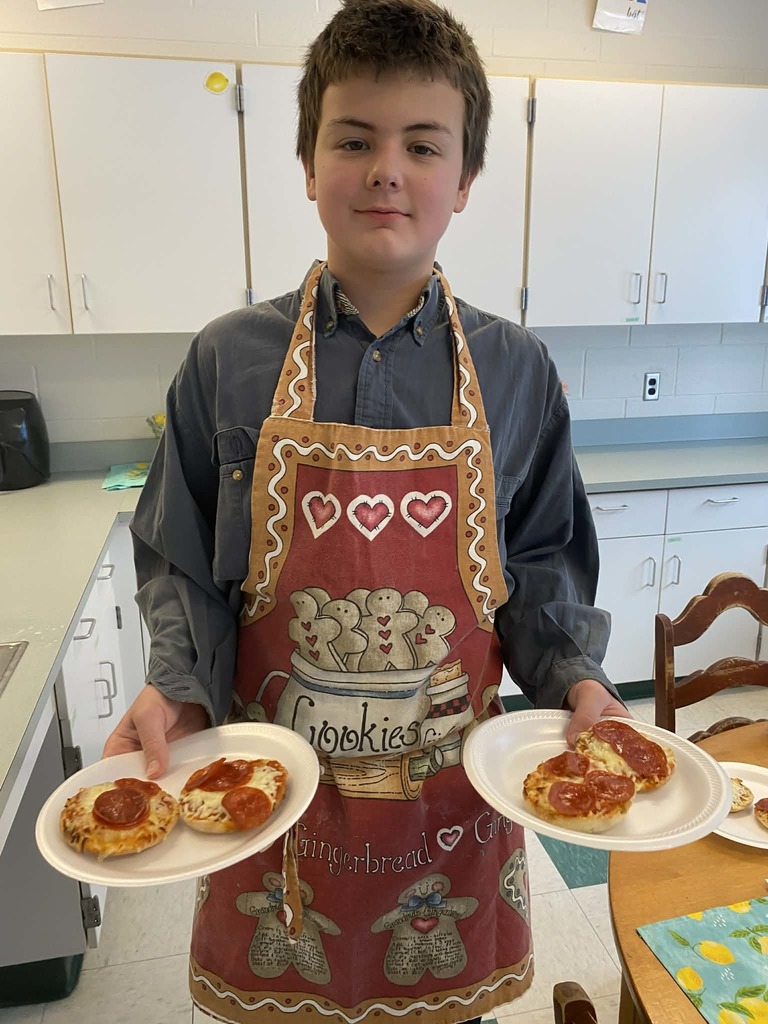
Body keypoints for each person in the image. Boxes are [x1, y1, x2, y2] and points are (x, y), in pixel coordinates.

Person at [105, 1, 630, 1021]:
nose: (388, 169)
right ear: (309, 165)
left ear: (464, 180)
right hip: (272, 808)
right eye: (354, 140)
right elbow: (181, 563)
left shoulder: (518, 370)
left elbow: (543, 565)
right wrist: (176, 688)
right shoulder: (226, 361)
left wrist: (580, 683)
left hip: (450, 817)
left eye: (423, 145)